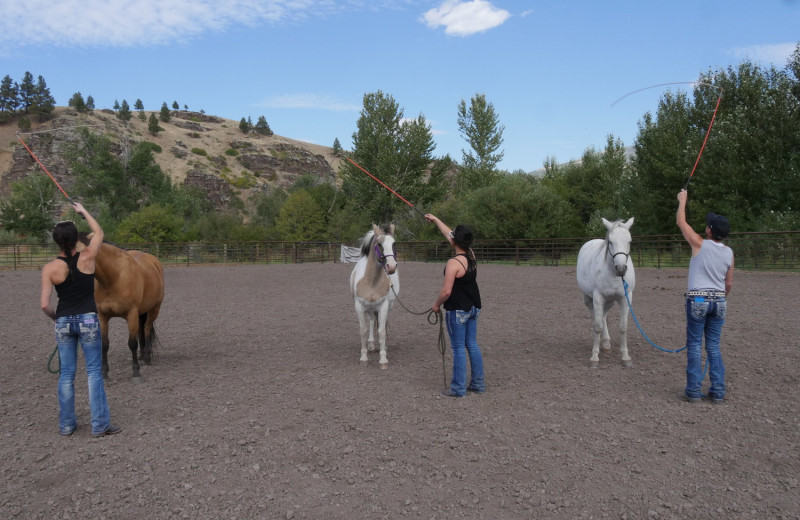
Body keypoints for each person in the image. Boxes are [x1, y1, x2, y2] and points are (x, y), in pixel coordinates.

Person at [40, 203, 122, 437]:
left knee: (66, 374)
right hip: (87, 320)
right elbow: (100, 233)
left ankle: (67, 425)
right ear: (77, 238)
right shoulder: (88, 256)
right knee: (94, 371)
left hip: (64, 321)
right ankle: (99, 425)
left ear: (57, 241)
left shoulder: (50, 268)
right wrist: (84, 211)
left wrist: (56, 319)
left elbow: (45, 304)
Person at [676, 189, 734, 404]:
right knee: (713, 346)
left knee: (694, 344)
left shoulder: (699, 244)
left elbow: (681, 222)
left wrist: (682, 200)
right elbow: (728, 283)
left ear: (710, 231)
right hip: (719, 301)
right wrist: (720, 297)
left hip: (698, 300)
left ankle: (693, 390)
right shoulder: (729, 253)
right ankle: (718, 391)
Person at [426, 214, 485, 397]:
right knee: (472, 345)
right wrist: (436, 220)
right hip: (473, 308)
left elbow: (446, 292)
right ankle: (478, 384)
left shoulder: (453, 263)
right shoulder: (471, 255)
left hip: (457, 311)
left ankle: (458, 388)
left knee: (458, 348)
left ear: (454, 241)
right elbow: (450, 233)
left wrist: (436, 305)